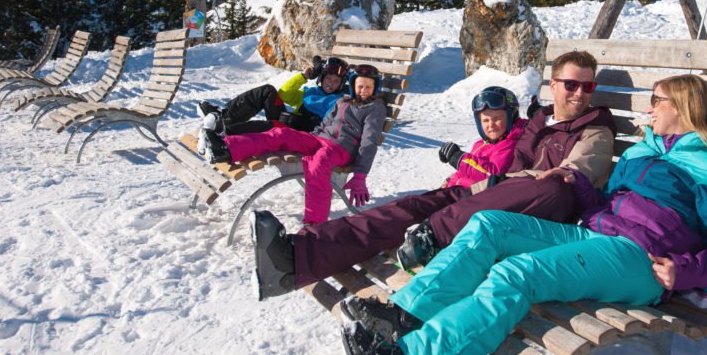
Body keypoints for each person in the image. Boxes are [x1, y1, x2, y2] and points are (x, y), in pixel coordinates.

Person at [338, 73, 707, 355]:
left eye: (656, 100)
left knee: (518, 273)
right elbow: (609, 205)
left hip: (640, 260)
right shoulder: (645, 149)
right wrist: (579, 184)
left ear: (682, 106)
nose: (649, 108)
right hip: (595, 235)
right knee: (488, 226)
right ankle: (403, 317)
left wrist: (686, 270)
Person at [252, 50, 615, 298]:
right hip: (487, 193)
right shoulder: (535, 123)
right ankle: (295, 259)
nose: (580, 94)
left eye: (588, 86)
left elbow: (579, 169)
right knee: (400, 211)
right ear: (554, 85)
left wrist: (514, 174)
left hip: (531, 211)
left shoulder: (595, 129)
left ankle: (434, 234)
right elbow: (502, 148)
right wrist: (468, 170)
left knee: (553, 186)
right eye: (572, 84)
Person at [251, 86, 527, 300]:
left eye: (497, 119)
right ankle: (302, 251)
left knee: (390, 219)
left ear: (511, 117)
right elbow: (477, 172)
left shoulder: (512, 144)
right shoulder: (488, 142)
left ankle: (298, 257)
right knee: (391, 214)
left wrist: (459, 159)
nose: (491, 124)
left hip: (468, 207)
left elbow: (490, 174)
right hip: (455, 198)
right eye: (486, 119)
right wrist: (453, 175)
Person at [200, 64, 386, 225]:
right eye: (360, 86)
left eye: (369, 87)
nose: (364, 90)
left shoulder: (375, 107)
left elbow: (369, 141)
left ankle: (315, 223)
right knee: (282, 134)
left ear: (375, 89)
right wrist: (307, 140)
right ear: (353, 86)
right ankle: (225, 148)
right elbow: (325, 124)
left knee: (319, 162)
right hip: (321, 139)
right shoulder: (342, 101)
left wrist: (360, 175)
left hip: (342, 149)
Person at [197, 55, 349, 139]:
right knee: (267, 91)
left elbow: (333, 121)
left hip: (301, 134)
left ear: (341, 84)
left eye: (336, 81)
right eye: (329, 78)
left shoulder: (339, 100)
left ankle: (225, 132)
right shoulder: (310, 92)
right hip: (288, 123)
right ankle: (225, 117)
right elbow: (284, 94)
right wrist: (303, 76)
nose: (332, 83)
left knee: (272, 126)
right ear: (321, 77)